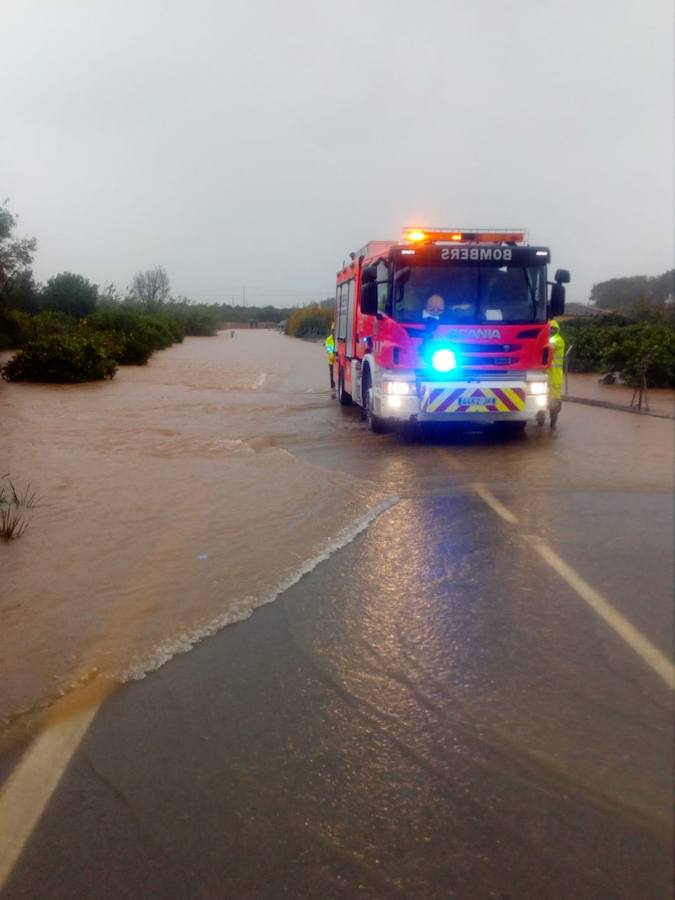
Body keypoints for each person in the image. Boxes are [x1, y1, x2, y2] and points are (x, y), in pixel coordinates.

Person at [547, 319, 565, 428]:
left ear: (557, 330)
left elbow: (549, 348)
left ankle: (553, 421)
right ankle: (541, 418)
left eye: (554, 329)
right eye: (550, 329)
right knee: (542, 400)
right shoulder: (549, 339)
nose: (552, 331)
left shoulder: (557, 340)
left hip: (555, 377)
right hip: (546, 375)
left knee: (554, 401)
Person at [324, 325, 336, 390]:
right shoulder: (329, 339)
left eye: (334, 330)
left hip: (338, 360)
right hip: (332, 361)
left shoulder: (338, 338)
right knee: (332, 375)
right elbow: (329, 351)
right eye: (333, 330)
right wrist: (333, 357)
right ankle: (333, 388)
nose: (334, 331)